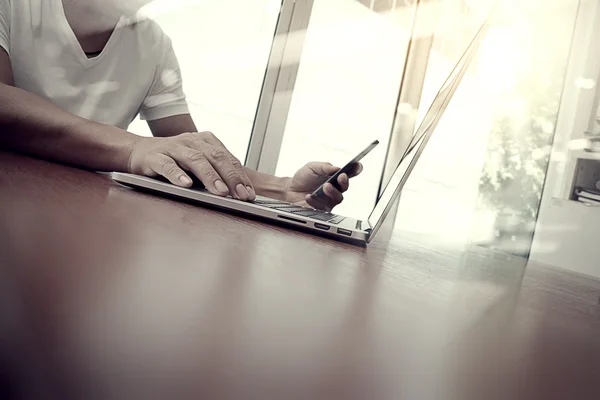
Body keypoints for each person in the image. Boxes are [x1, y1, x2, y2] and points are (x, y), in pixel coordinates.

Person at [0, 0, 361, 211]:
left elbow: (192, 152)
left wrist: (283, 190)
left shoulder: (153, 44)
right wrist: (133, 149)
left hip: (82, 219)